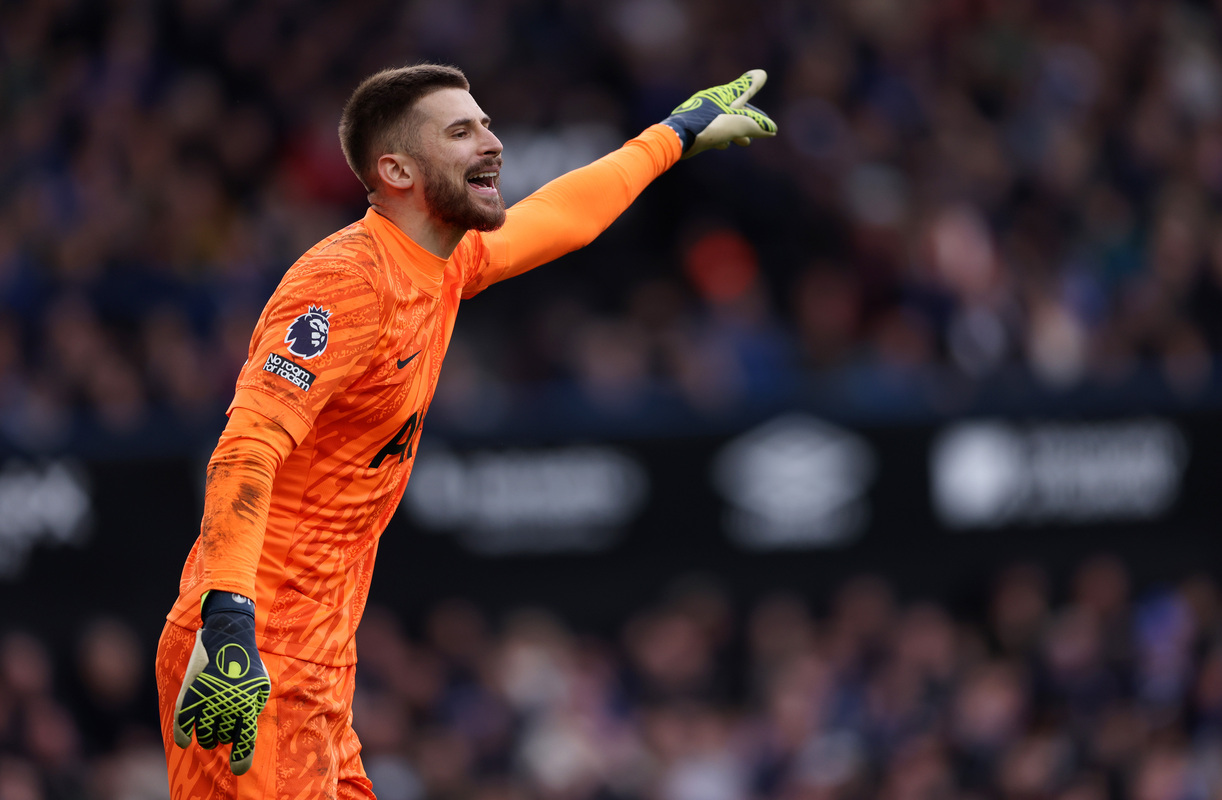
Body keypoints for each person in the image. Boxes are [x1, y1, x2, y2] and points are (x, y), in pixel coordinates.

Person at [154, 62, 775, 799]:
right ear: (397, 170)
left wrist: (673, 134)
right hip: (246, 656)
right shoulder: (348, 281)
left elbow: (563, 216)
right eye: (461, 131)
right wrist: (228, 621)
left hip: (316, 658)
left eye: (485, 124)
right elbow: (244, 450)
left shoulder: (443, 263)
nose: (492, 142)